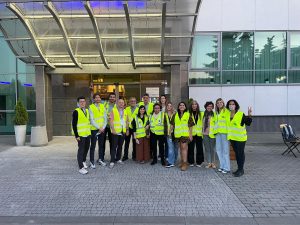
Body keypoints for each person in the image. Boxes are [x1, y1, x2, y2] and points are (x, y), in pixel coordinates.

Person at [226, 99, 252, 177]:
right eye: (230, 104)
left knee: (240, 154)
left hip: (240, 138)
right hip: (232, 138)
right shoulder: (228, 114)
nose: (231, 105)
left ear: (236, 105)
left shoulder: (240, 114)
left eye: (233, 104)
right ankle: (239, 168)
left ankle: (241, 170)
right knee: (237, 154)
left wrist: (249, 115)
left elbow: (248, 123)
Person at [171, 102, 194, 171]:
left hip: (185, 135)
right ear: (178, 107)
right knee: (181, 149)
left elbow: (191, 125)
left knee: (184, 148)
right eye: (180, 105)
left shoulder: (188, 114)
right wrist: (170, 132)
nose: (181, 106)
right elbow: (172, 124)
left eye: (183, 105)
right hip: (178, 135)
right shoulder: (175, 115)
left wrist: (190, 135)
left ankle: (184, 163)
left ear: (185, 107)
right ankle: (182, 161)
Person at [72, 96, 91, 175]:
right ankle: (81, 168)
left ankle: (83, 161)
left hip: (87, 134)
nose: (82, 103)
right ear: (78, 103)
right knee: (81, 150)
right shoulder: (76, 111)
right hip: (80, 135)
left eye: (83, 101)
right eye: (81, 102)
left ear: (85, 102)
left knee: (86, 149)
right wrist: (77, 136)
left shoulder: (87, 110)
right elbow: (74, 124)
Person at [89, 93, 107, 168]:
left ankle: (100, 159)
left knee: (101, 145)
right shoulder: (91, 107)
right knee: (93, 146)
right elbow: (92, 120)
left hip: (102, 129)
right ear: (94, 99)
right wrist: (98, 128)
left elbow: (105, 118)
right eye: (96, 97)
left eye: (99, 97)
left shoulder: (103, 106)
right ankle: (92, 161)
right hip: (94, 129)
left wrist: (103, 127)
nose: (98, 99)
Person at [109, 98, 128, 168]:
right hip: (115, 132)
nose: (121, 104)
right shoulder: (113, 111)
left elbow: (126, 121)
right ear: (117, 104)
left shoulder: (125, 111)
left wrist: (127, 130)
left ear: (124, 104)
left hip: (122, 131)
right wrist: (113, 129)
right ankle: (112, 161)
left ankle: (118, 159)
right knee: (114, 146)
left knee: (120, 146)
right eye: (119, 102)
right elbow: (110, 121)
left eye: (122, 103)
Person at [214, 98, 231, 174]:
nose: (219, 104)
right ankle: (222, 166)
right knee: (218, 150)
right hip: (218, 133)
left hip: (225, 134)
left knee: (225, 151)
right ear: (216, 104)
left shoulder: (227, 112)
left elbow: (229, 123)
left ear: (223, 103)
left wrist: (229, 134)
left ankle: (227, 167)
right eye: (218, 103)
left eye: (221, 102)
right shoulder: (216, 112)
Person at [188, 100, 204, 167]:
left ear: (197, 105)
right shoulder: (188, 114)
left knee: (199, 148)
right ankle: (191, 161)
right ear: (191, 106)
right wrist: (190, 134)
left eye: (195, 104)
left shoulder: (201, 113)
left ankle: (199, 162)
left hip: (199, 134)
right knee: (191, 148)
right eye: (193, 104)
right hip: (191, 134)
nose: (194, 106)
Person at [123, 97, 139, 161]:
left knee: (134, 142)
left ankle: (134, 156)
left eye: (134, 101)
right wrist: (127, 129)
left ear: (136, 102)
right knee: (126, 142)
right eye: (131, 101)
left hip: (135, 129)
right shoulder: (126, 109)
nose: (133, 102)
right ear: (129, 102)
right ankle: (125, 156)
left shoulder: (138, 109)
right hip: (128, 128)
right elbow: (126, 119)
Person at [202, 101, 216, 169]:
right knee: (207, 149)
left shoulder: (214, 115)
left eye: (211, 106)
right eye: (208, 106)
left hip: (212, 134)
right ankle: (209, 163)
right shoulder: (203, 114)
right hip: (205, 134)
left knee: (212, 149)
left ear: (212, 107)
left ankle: (213, 162)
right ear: (206, 107)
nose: (209, 107)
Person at [165, 102, 178, 168]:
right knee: (170, 148)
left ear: (172, 107)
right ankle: (170, 162)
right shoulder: (164, 114)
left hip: (176, 134)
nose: (169, 107)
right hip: (168, 134)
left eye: (170, 106)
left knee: (175, 148)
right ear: (166, 107)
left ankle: (174, 159)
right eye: (168, 106)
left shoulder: (175, 114)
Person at [103, 93, 116, 158]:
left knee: (112, 142)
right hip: (105, 126)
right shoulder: (104, 104)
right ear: (109, 98)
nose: (112, 98)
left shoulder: (117, 106)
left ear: (115, 98)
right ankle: (101, 157)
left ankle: (112, 157)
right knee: (102, 142)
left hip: (112, 126)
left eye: (113, 97)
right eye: (111, 97)